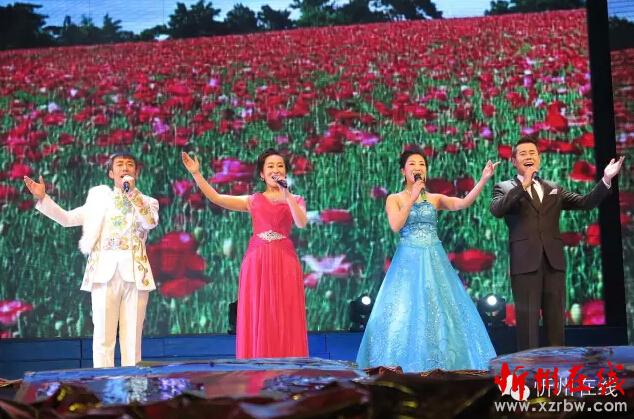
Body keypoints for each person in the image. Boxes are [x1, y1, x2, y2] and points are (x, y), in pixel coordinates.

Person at [356, 148, 499, 372]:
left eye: (422, 164)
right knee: (406, 311)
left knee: (439, 310)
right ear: (403, 171)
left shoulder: (434, 198)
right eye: (412, 164)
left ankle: (443, 363)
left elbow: (462, 203)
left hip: (434, 259)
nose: (418, 168)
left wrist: (483, 179)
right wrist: (412, 197)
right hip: (408, 262)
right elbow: (396, 225)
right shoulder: (394, 198)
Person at [23, 151, 159, 368]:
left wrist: (132, 193)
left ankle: (134, 386)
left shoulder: (148, 202)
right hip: (103, 274)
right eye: (120, 164)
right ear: (111, 173)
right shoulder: (98, 202)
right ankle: (103, 384)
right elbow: (67, 219)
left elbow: (150, 222)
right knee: (103, 337)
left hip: (135, 275)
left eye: (130, 165)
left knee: (132, 339)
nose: (125, 168)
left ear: (136, 172)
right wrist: (43, 198)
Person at [490, 138, 624, 351]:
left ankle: (556, 368)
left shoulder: (553, 188)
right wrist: (523, 185)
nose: (528, 157)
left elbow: (585, 202)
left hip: (554, 263)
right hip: (525, 264)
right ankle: (528, 369)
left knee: (556, 325)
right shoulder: (504, 187)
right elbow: (497, 210)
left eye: (532, 153)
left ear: (539, 159)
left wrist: (606, 179)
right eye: (523, 154)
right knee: (528, 327)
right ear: (514, 161)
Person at [181, 149, 308, 358]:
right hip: (257, 260)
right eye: (270, 166)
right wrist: (196, 173)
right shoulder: (253, 200)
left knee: (284, 311)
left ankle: (287, 363)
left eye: (280, 166)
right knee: (259, 311)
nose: (276, 170)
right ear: (262, 174)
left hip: (284, 260)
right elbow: (216, 198)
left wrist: (287, 195)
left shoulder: (296, 199)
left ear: (285, 172)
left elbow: (301, 222)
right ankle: (258, 362)